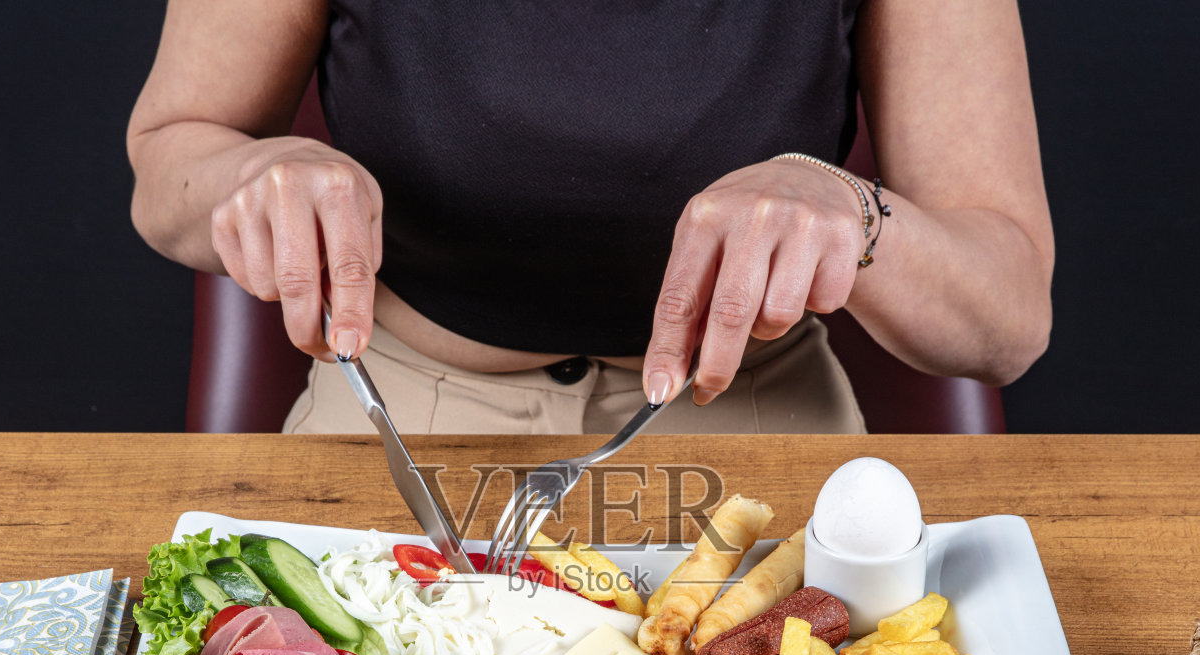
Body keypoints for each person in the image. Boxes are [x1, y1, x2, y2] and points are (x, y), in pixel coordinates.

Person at [127, 1, 1053, 434]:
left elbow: (1005, 316)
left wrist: (853, 213)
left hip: (752, 420)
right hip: (402, 421)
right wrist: (253, 170)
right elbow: (168, 162)